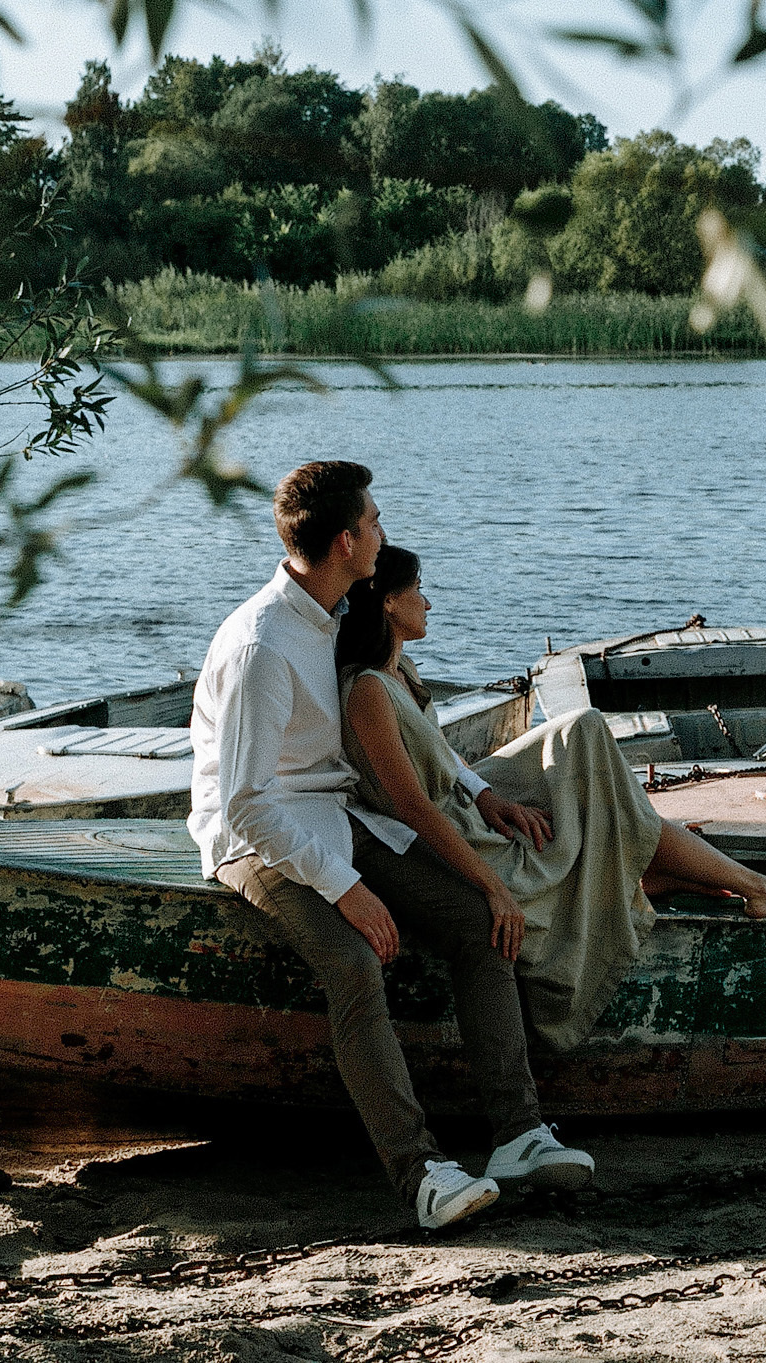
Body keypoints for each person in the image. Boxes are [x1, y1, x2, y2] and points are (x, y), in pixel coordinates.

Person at [187, 460, 585, 1233]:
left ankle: (517, 1134)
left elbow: (410, 724)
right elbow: (246, 804)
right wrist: (346, 887)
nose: (382, 533)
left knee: (480, 921)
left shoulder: (337, 616)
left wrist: (480, 792)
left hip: (339, 815)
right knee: (353, 961)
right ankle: (421, 1171)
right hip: (256, 838)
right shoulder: (261, 646)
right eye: (374, 521)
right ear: (344, 541)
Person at [336, 549, 766, 1053]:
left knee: (581, 730)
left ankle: (640, 864)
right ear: (389, 602)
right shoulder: (368, 690)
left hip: (466, 797)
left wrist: (489, 795)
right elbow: (413, 807)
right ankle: (752, 885)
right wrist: (492, 887)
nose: (428, 603)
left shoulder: (401, 671)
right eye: (418, 590)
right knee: (609, 787)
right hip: (453, 825)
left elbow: (440, 753)